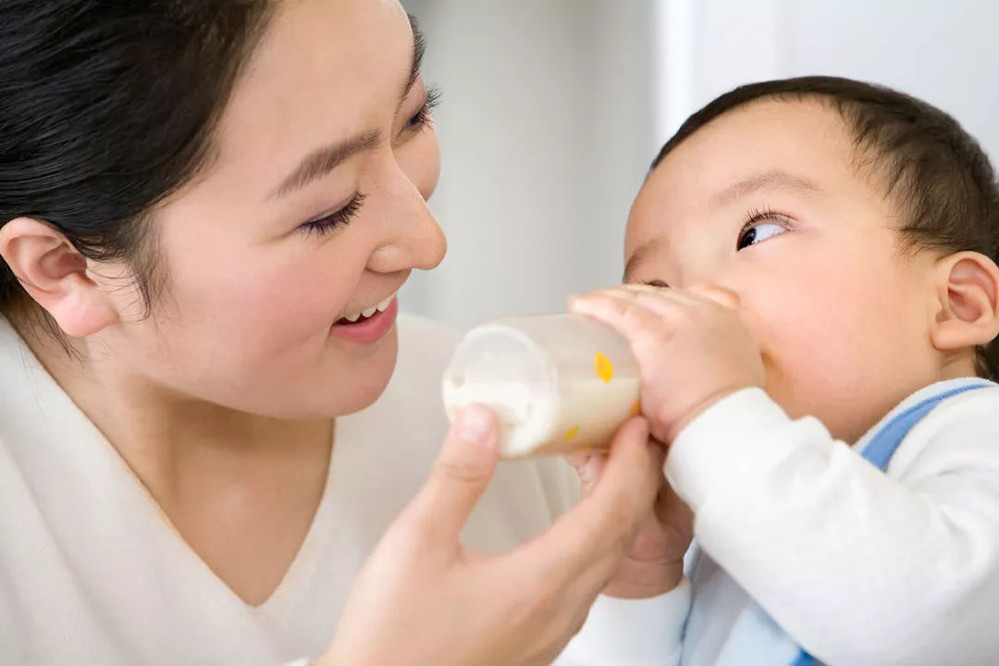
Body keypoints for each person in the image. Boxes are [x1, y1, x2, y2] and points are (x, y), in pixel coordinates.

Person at [0, 2, 667, 664]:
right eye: (328, 211)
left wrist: (641, 591)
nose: (426, 243)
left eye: (412, 116)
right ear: (67, 270)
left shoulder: (509, 421)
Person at [565, 76, 999, 665]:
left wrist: (707, 409)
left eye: (757, 232)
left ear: (957, 303)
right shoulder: (731, 523)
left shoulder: (975, 431)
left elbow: (926, 624)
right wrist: (638, 574)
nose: (696, 298)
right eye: (656, 287)